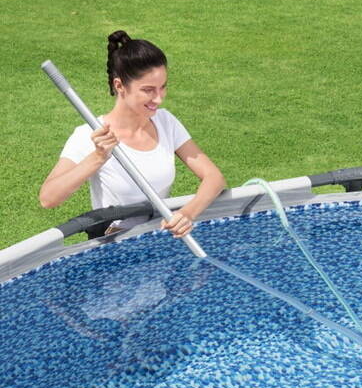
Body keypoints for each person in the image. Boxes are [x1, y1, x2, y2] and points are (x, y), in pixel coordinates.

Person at [39, 30, 225, 238]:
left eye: (162, 87)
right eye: (148, 90)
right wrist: (98, 157)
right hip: (114, 245)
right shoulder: (89, 135)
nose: (159, 99)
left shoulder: (165, 122)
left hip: (157, 239)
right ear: (119, 85)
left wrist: (187, 214)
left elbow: (214, 177)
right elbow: (48, 198)